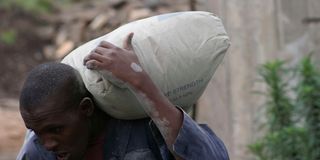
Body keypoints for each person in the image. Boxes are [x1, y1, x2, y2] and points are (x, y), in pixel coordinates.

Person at [17, 33, 229, 160]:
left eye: (56, 130)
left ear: (86, 109)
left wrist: (140, 82)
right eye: (37, 131)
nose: (48, 144)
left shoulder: (142, 130)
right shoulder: (37, 152)